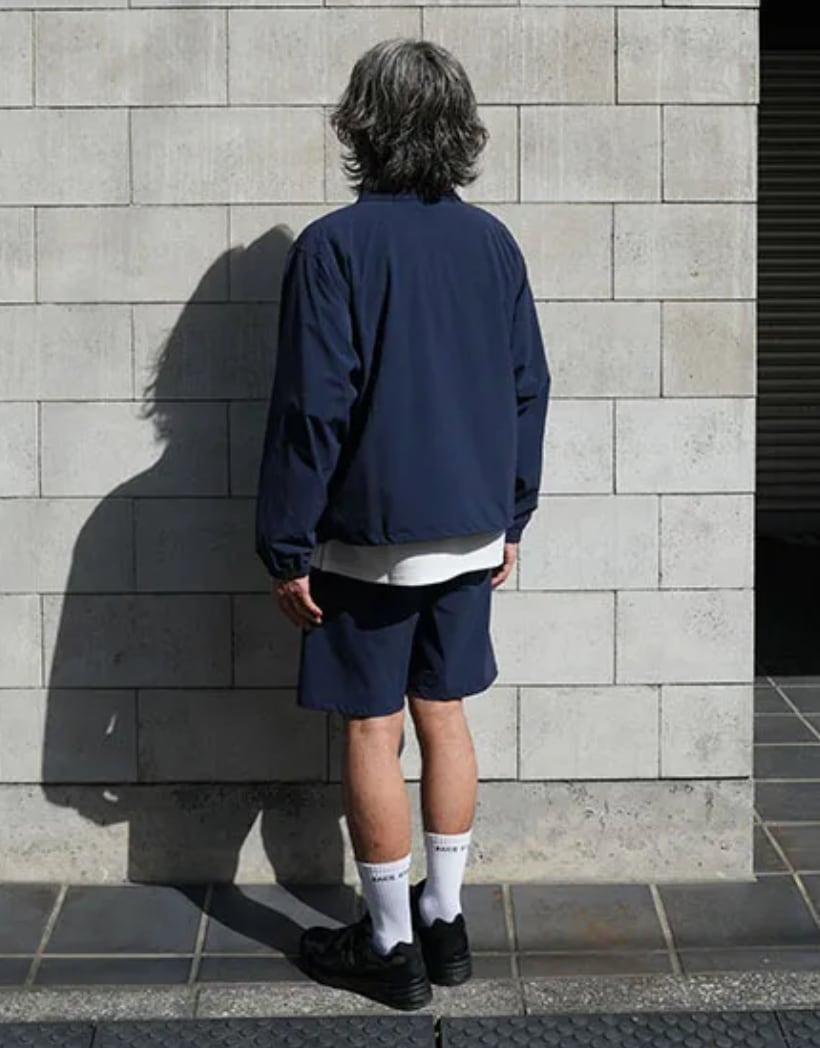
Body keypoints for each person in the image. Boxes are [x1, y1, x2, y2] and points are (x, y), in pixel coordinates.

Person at [255, 37, 550, 1010]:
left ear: (363, 126)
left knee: (373, 725)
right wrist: (512, 515)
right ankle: (446, 921)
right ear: (457, 128)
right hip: (470, 531)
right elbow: (527, 387)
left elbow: (314, 407)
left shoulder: (333, 246)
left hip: (367, 542)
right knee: (444, 713)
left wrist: (286, 542)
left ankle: (388, 942)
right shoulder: (492, 243)